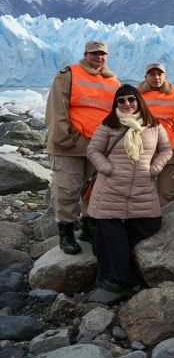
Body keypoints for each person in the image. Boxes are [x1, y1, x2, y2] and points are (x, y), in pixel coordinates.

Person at [86, 85, 172, 292]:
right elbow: (93, 150)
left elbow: (166, 149)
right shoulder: (109, 125)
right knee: (112, 230)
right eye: (121, 100)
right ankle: (118, 278)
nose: (127, 104)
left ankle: (115, 259)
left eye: (131, 99)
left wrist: (155, 168)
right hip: (110, 188)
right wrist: (107, 168)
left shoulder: (153, 125)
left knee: (151, 224)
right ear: (116, 103)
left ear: (139, 101)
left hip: (141, 187)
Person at [46, 40, 120, 254]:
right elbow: (56, 108)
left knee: (94, 189)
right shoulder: (69, 74)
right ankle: (66, 233)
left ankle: (89, 227)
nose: (99, 57)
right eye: (94, 53)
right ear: (85, 54)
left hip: (99, 145)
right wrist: (63, 138)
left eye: (102, 53)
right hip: (70, 144)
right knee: (67, 188)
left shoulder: (113, 81)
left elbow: (116, 114)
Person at [138, 63, 174, 205]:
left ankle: (164, 218)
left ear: (165, 76)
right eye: (152, 74)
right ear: (145, 77)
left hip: (169, 151)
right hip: (143, 152)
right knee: (140, 191)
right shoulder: (135, 95)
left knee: (167, 194)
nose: (156, 77)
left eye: (159, 74)